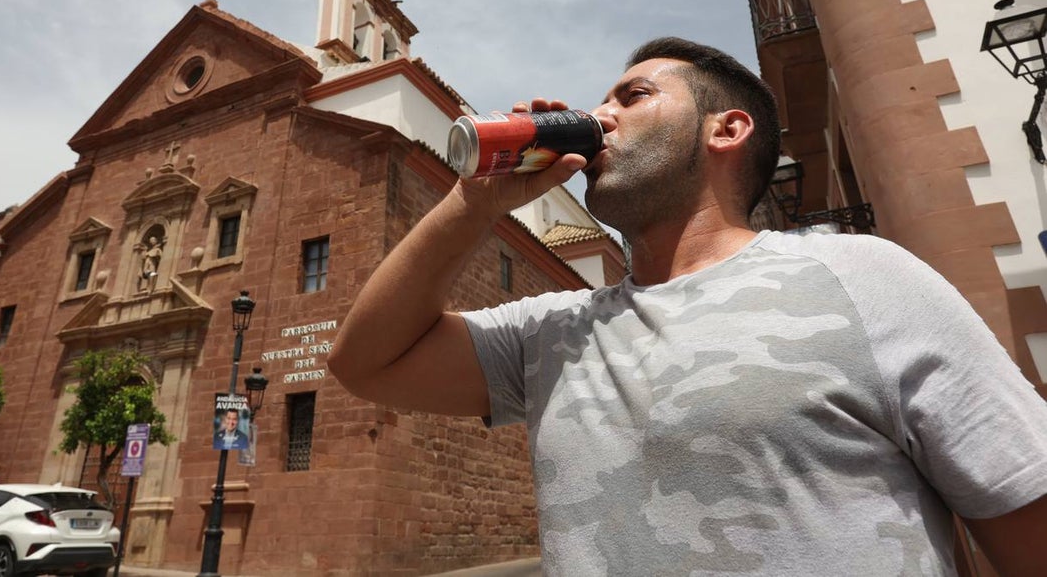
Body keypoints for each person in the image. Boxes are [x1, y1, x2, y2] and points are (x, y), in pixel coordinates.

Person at [329, 37, 1047, 575]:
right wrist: (472, 202)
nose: (599, 117)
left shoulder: (863, 277)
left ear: (725, 130)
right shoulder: (554, 333)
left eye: (631, 97)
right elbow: (366, 362)